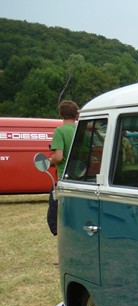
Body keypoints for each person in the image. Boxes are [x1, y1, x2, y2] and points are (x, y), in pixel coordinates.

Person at [47, 100, 79, 236]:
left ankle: (59, 235)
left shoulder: (59, 131)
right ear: (76, 114)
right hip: (81, 178)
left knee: (54, 215)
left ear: (61, 114)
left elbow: (59, 157)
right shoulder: (80, 129)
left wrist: (50, 161)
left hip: (64, 179)